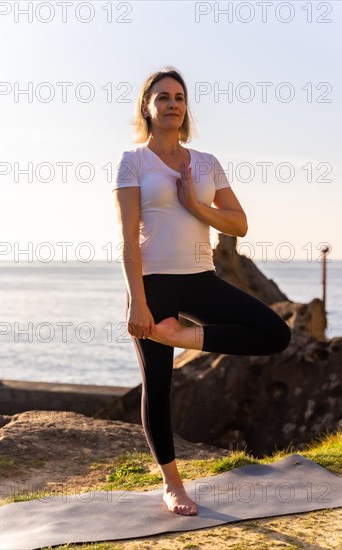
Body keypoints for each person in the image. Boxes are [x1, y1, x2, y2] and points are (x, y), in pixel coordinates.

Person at [112, 66, 291, 516]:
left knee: (275, 333)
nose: (172, 103)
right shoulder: (133, 161)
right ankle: (173, 485)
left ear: (186, 107)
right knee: (159, 384)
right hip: (153, 284)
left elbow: (240, 224)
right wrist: (137, 299)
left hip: (201, 279)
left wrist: (195, 203)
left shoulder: (206, 163)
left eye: (179, 96)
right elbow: (128, 237)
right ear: (148, 109)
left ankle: (182, 337)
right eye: (162, 97)